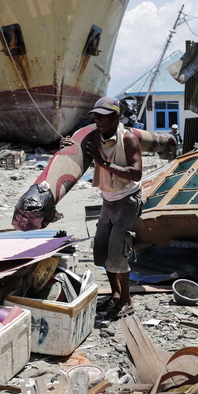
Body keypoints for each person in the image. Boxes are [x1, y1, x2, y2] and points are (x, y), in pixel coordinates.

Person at [60, 96, 142, 318]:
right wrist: (67, 146)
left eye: (102, 117)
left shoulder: (128, 139)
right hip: (108, 199)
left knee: (118, 251)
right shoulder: (95, 135)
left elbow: (136, 173)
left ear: (116, 117)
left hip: (126, 200)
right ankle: (115, 295)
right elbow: (78, 144)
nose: (98, 121)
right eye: (95, 116)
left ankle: (127, 300)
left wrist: (104, 163)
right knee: (103, 250)